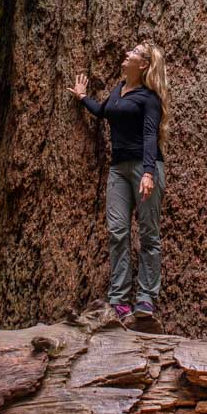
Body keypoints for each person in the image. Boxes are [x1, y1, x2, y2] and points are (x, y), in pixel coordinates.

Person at [69, 42, 170, 327]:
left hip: (145, 167)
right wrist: (82, 97)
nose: (127, 54)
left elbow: (151, 135)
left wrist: (149, 172)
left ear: (143, 65)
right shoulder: (118, 90)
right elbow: (103, 112)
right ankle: (119, 300)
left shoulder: (148, 98)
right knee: (117, 232)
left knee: (149, 233)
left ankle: (146, 298)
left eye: (134, 53)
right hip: (118, 170)